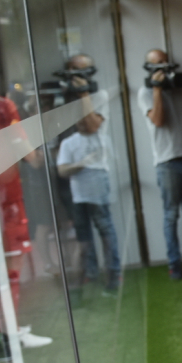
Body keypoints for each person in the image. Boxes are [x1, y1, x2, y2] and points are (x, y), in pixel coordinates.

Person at [137, 48, 182, 280]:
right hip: (166, 162)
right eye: (156, 64)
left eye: (165, 63)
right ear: (148, 68)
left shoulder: (179, 86)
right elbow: (158, 119)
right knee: (170, 215)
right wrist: (157, 89)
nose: (162, 68)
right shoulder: (145, 92)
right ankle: (174, 262)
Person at [57, 111, 120, 293]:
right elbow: (62, 170)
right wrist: (82, 163)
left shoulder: (103, 139)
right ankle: (85, 277)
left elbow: (109, 163)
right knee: (84, 242)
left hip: (100, 197)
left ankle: (112, 277)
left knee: (107, 235)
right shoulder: (69, 143)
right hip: (80, 198)